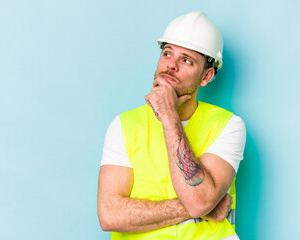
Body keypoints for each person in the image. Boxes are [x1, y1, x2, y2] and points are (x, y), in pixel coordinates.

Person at [97, 11, 246, 240]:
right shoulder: (124, 125)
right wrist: (203, 209)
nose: (171, 66)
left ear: (206, 77)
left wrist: (168, 116)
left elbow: (198, 200)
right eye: (167, 54)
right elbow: (109, 215)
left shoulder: (228, 125)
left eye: (186, 60)